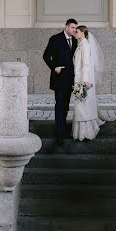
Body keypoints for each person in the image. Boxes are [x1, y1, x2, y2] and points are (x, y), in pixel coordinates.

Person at [43, 18, 78, 146]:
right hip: (59, 78)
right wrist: (54, 68)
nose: (74, 30)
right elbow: (46, 56)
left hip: (70, 79)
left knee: (66, 105)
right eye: (72, 27)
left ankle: (62, 129)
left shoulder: (75, 40)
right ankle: (59, 135)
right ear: (66, 27)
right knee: (59, 104)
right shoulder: (55, 38)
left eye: (75, 28)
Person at [72, 25, 105, 141]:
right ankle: (82, 131)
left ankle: (85, 131)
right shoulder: (80, 45)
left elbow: (86, 64)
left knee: (82, 105)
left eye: (77, 31)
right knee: (80, 104)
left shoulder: (85, 46)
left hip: (82, 80)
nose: (75, 33)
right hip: (79, 79)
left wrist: (85, 80)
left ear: (83, 33)